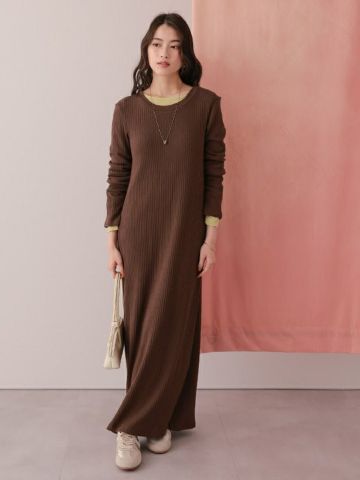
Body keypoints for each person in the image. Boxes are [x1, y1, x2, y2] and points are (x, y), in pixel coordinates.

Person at [104, 12, 227, 471]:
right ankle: (131, 427)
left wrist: (210, 239)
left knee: (175, 325)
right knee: (142, 327)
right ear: (146, 50)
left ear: (185, 54)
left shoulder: (206, 106)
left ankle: (161, 419)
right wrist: (111, 241)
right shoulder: (126, 110)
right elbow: (118, 176)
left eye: (174, 45)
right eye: (157, 44)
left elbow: (214, 174)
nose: (164, 53)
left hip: (185, 234)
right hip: (137, 234)